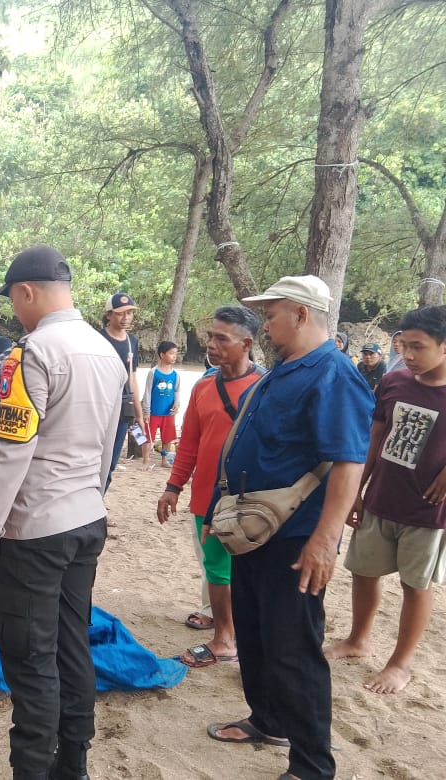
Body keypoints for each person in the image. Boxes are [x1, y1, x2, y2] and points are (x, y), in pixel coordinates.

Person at [0, 246, 125, 780]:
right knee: (73, 646)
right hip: (86, 518)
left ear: (26, 292)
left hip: (37, 529)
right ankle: (72, 767)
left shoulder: (30, 352)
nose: (14, 313)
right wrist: (91, 497)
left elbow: (12, 451)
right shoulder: (107, 351)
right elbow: (106, 446)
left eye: (14, 302)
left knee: (30, 661)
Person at [205, 275, 372, 780]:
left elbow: (347, 462)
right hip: (254, 530)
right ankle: (268, 719)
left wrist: (325, 540)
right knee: (255, 633)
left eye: (273, 313)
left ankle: (312, 766)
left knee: (294, 647)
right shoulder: (285, 370)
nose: (266, 324)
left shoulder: (334, 373)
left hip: (296, 537)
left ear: (301, 314)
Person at [325, 305, 446, 694]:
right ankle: (358, 640)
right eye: (403, 345)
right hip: (381, 497)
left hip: (428, 511)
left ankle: (400, 663)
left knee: (416, 584)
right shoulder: (393, 382)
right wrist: (357, 491)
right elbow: (374, 439)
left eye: (418, 347)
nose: (408, 355)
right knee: (364, 570)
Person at [156, 307, 265, 669]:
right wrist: (173, 486)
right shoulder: (204, 386)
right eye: (210, 337)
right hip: (207, 494)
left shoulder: (266, 387)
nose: (212, 345)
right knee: (217, 569)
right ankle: (225, 637)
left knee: (249, 571)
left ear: (246, 343)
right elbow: (189, 443)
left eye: (222, 339)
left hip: (253, 498)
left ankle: (234, 638)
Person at [99, 292, 144, 487]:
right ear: (109, 314)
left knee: (111, 461)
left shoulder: (131, 342)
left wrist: (139, 414)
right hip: (99, 405)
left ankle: (98, 506)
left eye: (129, 313)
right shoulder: (97, 338)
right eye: (120, 313)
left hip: (123, 408)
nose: (126, 318)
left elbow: (132, 377)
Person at [142, 340, 180, 467]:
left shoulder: (176, 374)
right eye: (171, 353)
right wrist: (146, 411)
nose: (174, 356)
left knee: (167, 438)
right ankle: (146, 460)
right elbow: (147, 392)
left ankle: (165, 460)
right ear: (162, 355)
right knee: (148, 437)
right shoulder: (153, 372)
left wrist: (177, 404)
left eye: (176, 353)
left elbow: (177, 390)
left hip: (168, 413)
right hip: (153, 412)